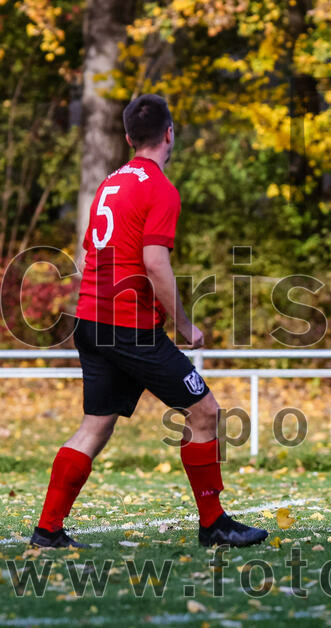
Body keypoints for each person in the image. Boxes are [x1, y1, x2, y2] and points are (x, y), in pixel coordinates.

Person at [30, 95, 267, 548]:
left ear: (127, 137)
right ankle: (214, 524)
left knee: (96, 425)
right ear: (169, 133)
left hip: (90, 319)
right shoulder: (159, 187)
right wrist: (185, 326)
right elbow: (155, 263)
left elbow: (93, 252)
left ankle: (48, 529)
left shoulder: (110, 183)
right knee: (205, 412)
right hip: (129, 328)